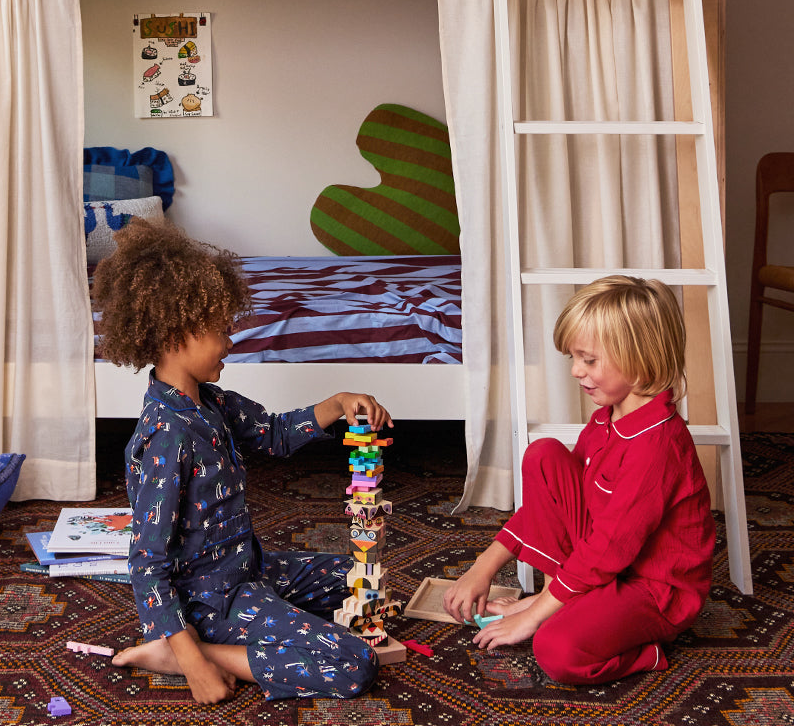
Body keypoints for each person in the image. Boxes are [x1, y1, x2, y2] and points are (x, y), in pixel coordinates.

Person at [91, 217, 390, 705]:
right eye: (220, 329)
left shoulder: (212, 403)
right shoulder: (166, 438)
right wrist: (192, 661)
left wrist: (337, 403)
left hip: (247, 571)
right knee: (353, 663)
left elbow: (272, 434)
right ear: (176, 333)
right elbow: (147, 563)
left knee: (362, 583)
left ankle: (238, 635)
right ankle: (188, 651)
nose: (230, 340)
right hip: (210, 601)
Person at [443, 275, 715, 685]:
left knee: (555, 650)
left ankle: (648, 651)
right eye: (574, 358)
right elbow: (549, 503)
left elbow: (609, 548)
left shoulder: (656, 445)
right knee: (544, 455)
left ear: (640, 357)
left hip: (653, 590)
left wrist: (533, 617)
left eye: (589, 360)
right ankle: (565, 601)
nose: (575, 371)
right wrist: (483, 567)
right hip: (609, 565)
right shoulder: (607, 419)